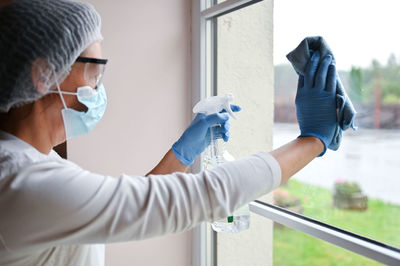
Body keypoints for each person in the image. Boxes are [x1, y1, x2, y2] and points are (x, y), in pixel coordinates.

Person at [0, 0, 338, 265]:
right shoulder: (23, 183)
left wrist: (181, 154)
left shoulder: (27, 163)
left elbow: (130, 206)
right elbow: (192, 199)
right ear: (44, 74)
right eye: (93, 73)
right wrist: (312, 140)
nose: (99, 88)